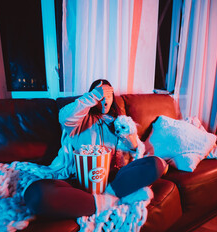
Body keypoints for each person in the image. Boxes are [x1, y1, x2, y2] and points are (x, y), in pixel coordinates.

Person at [24, 79, 168, 219]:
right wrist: (93, 95)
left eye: (108, 96)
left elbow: (136, 151)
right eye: (100, 97)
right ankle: (107, 202)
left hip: (114, 179)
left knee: (157, 164)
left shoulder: (120, 122)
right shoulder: (79, 121)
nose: (104, 100)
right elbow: (64, 117)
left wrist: (129, 138)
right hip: (79, 180)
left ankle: (108, 194)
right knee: (34, 194)